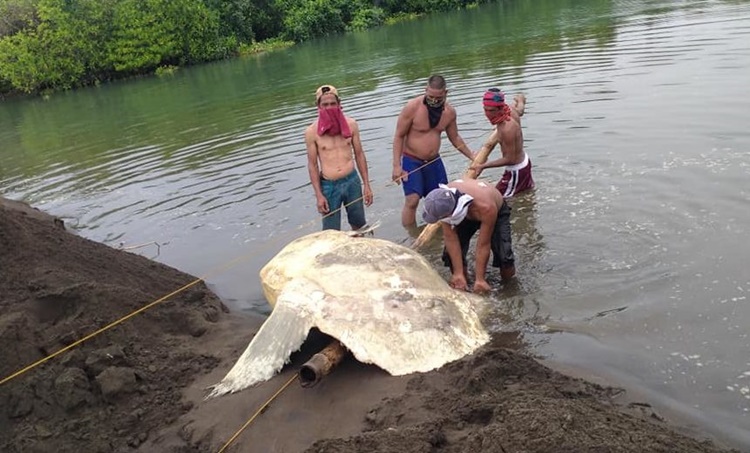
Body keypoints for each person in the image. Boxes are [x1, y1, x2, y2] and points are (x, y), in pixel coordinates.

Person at [392, 75, 475, 227]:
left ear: (446, 93)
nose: (434, 101)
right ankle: (411, 236)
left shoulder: (449, 112)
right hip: (412, 160)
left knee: (443, 199)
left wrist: (472, 156)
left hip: (434, 161)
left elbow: (455, 137)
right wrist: (397, 166)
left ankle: (440, 233)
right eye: (430, 96)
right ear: (425, 90)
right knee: (412, 200)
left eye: (438, 97)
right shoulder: (412, 107)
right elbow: (399, 135)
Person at [422, 178, 515, 294]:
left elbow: (483, 244)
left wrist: (480, 279)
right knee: (449, 256)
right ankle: (463, 281)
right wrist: (458, 273)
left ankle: (509, 289)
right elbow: (451, 239)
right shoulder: (442, 201)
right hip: (463, 214)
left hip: (493, 210)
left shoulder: (486, 207)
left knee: (504, 256)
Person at [305, 85, 373, 231]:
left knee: (359, 225)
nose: (329, 108)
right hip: (329, 186)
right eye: (325, 104)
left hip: (352, 180)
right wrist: (318, 195)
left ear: (339, 103)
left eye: (332, 104)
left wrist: (366, 184)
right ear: (318, 106)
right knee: (331, 231)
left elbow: (359, 154)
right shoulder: (312, 132)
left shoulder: (351, 125)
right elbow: (312, 165)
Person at [470, 88, 534, 198]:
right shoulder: (510, 109)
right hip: (524, 163)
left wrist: (483, 166)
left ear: (500, 108)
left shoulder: (507, 129)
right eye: (486, 110)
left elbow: (510, 159)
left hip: (516, 169)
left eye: (492, 111)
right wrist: (521, 100)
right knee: (521, 195)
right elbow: (520, 111)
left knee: (498, 200)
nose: (488, 114)